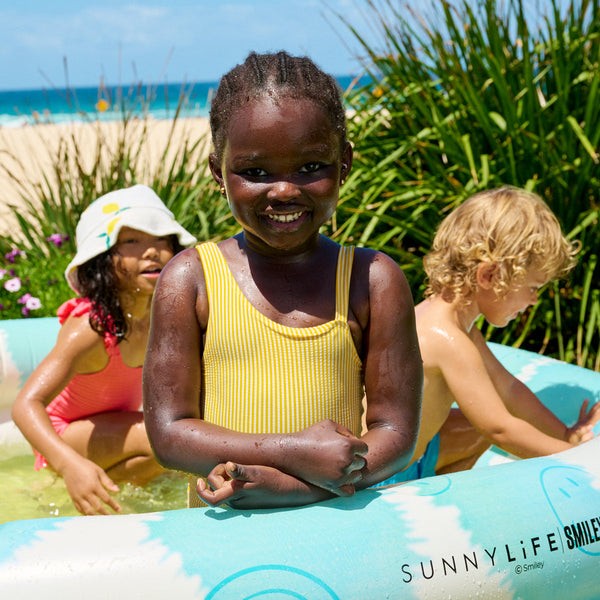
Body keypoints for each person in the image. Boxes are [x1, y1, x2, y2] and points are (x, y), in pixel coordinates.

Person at [143, 51, 423, 510]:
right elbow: (169, 434)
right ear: (219, 172)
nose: (284, 190)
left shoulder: (371, 280)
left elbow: (395, 434)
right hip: (225, 534)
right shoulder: (191, 280)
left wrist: (293, 489)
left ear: (344, 163)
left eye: (311, 167)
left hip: (337, 528)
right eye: (255, 172)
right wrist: (294, 453)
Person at [381, 186, 600, 486]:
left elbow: (508, 388)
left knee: (470, 428)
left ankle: (438, 489)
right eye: (534, 287)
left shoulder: (455, 325)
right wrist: (579, 461)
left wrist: (563, 434)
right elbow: (498, 429)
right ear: (489, 276)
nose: (535, 301)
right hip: (380, 480)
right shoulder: (445, 338)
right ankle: (416, 498)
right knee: (485, 427)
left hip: (413, 453)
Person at [11, 185, 197, 516]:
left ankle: (101, 499)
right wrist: (69, 465)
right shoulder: (92, 328)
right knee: (161, 434)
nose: (151, 251)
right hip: (62, 438)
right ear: (101, 260)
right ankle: (78, 478)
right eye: (131, 242)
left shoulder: (162, 315)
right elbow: (25, 405)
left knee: (163, 449)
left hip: (106, 432)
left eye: (161, 240)